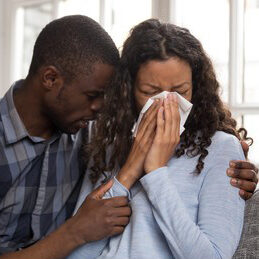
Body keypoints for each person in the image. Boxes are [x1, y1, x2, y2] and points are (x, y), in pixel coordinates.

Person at [0, 15, 257, 259]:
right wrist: (131, 169)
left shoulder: (220, 149)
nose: (166, 104)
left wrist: (156, 172)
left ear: (196, 88)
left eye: (181, 91)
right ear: (127, 90)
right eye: (150, 91)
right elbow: (81, 245)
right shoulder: (105, 143)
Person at [0, 15, 132, 259]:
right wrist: (75, 232)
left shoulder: (88, 133)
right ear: (50, 78)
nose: (100, 108)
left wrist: (226, 168)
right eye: (92, 95)